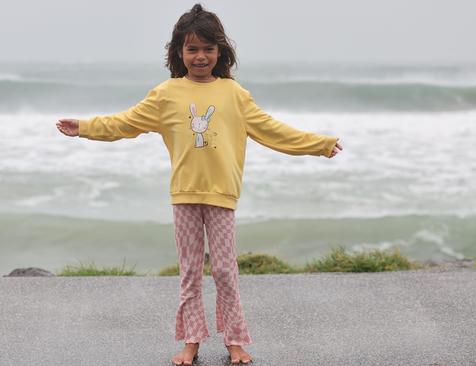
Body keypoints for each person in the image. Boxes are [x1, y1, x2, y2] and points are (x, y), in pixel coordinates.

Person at [56, 3, 343, 365]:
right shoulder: (166, 95)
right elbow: (124, 123)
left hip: (222, 194)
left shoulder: (234, 95)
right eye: (192, 49)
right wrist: (83, 128)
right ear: (179, 52)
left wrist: (319, 144)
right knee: (190, 272)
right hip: (184, 194)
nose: (200, 56)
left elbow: (272, 131)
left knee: (224, 270)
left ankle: (235, 341)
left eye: (208, 48)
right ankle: (190, 341)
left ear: (220, 51)